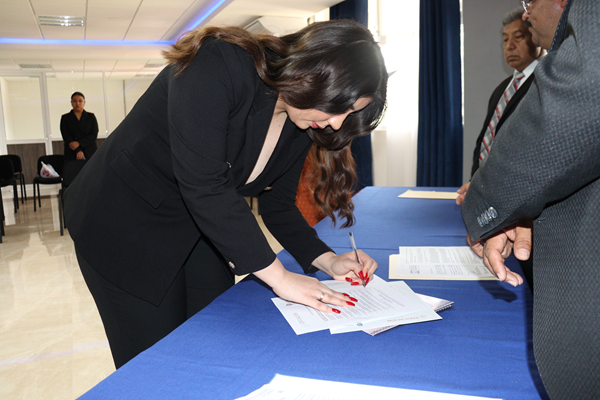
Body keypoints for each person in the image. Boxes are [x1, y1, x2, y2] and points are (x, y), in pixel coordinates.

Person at [64, 20, 388, 369]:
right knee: (160, 364)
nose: (337, 123)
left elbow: (278, 206)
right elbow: (204, 184)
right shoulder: (220, 62)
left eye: (349, 113)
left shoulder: (302, 121)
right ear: (311, 72)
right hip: (126, 223)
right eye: (338, 106)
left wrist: (327, 260)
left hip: (200, 224)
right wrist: (280, 278)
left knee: (215, 341)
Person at [461, 0, 599, 398]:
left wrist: (486, 207)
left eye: (530, 1)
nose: (526, 11)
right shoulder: (502, 89)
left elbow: (574, 109)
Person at [456, 8, 543, 205]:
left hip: (517, 197)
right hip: (486, 194)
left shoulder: (545, 84)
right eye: (505, 40)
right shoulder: (502, 89)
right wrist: (476, 182)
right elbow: (486, 141)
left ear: (536, 35)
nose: (509, 46)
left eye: (518, 37)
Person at [60, 92, 98, 160]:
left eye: (80, 101)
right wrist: (78, 150)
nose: (77, 103)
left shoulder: (91, 117)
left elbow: (93, 134)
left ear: (84, 102)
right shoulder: (65, 118)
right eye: (75, 101)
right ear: (71, 103)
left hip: (89, 150)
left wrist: (79, 143)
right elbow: (66, 136)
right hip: (72, 151)